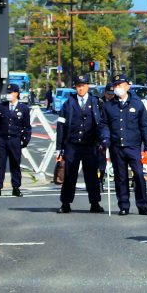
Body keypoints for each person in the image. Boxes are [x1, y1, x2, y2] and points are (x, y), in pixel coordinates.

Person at [101, 74, 147, 216]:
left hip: (134, 146)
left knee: (139, 175)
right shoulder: (108, 106)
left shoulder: (137, 104)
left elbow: (145, 125)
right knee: (120, 177)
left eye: (121, 85)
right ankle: (124, 205)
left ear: (127, 86)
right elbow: (104, 124)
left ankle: (143, 205)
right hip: (116, 146)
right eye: (116, 85)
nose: (118, 88)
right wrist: (105, 138)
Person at [55, 75, 106, 213]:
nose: (81, 88)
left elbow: (102, 123)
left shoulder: (96, 102)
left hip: (90, 144)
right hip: (72, 145)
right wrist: (59, 148)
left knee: (91, 176)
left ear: (88, 86)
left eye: (83, 85)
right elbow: (61, 125)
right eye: (78, 86)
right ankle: (65, 203)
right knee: (70, 175)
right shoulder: (68, 103)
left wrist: (104, 140)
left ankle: (95, 203)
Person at [0, 84, 32, 197]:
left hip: (15, 140)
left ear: (16, 93)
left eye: (10, 92)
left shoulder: (24, 109)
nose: (8, 95)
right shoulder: (2, 107)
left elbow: (27, 127)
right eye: (7, 92)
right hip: (3, 139)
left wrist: (25, 140)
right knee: (0, 165)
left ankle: (16, 187)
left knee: (15, 164)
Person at [97, 83, 115, 191]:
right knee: (101, 159)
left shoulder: (116, 103)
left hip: (114, 133)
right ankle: (100, 180)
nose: (111, 96)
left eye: (112, 94)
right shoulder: (100, 103)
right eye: (109, 94)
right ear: (105, 93)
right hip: (102, 133)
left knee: (116, 158)